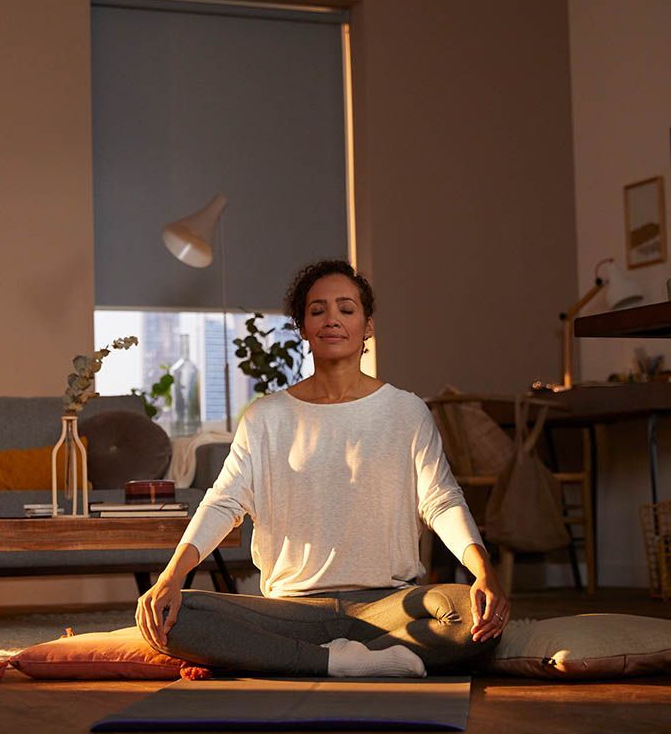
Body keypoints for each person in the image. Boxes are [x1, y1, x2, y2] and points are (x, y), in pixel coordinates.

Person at [135, 259, 509, 677]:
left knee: (470, 616)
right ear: (303, 327)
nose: (332, 319)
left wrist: (483, 572)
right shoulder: (266, 417)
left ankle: (307, 660)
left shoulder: (406, 411)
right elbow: (223, 503)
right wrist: (170, 576)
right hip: (292, 608)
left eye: (346, 309)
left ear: (367, 325)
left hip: (388, 605)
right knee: (178, 616)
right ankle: (350, 662)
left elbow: (441, 501)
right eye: (318, 310)